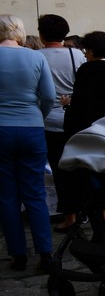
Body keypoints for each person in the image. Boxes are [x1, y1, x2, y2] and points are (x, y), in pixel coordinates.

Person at [62, 31, 105, 244]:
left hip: (92, 134)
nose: (85, 54)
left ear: (92, 51)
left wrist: (70, 121)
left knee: (91, 183)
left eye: (86, 50)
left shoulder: (87, 70)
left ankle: (99, 230)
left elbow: (81, 105)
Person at [0, 15, 55, 272]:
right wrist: (37, 116)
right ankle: (45, 252)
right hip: (31, 126)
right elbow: (49, 96)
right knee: (35, 193)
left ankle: (18, 254)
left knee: (7, 196)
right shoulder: (36, 57)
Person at [37, 14, 85, 231]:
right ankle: (85, 210)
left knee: (60, 170)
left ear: (41, 34)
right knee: (80, 167)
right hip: (75, 117)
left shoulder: (36, 56)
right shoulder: (77, 54)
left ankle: (70, 216)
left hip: (48, 119)